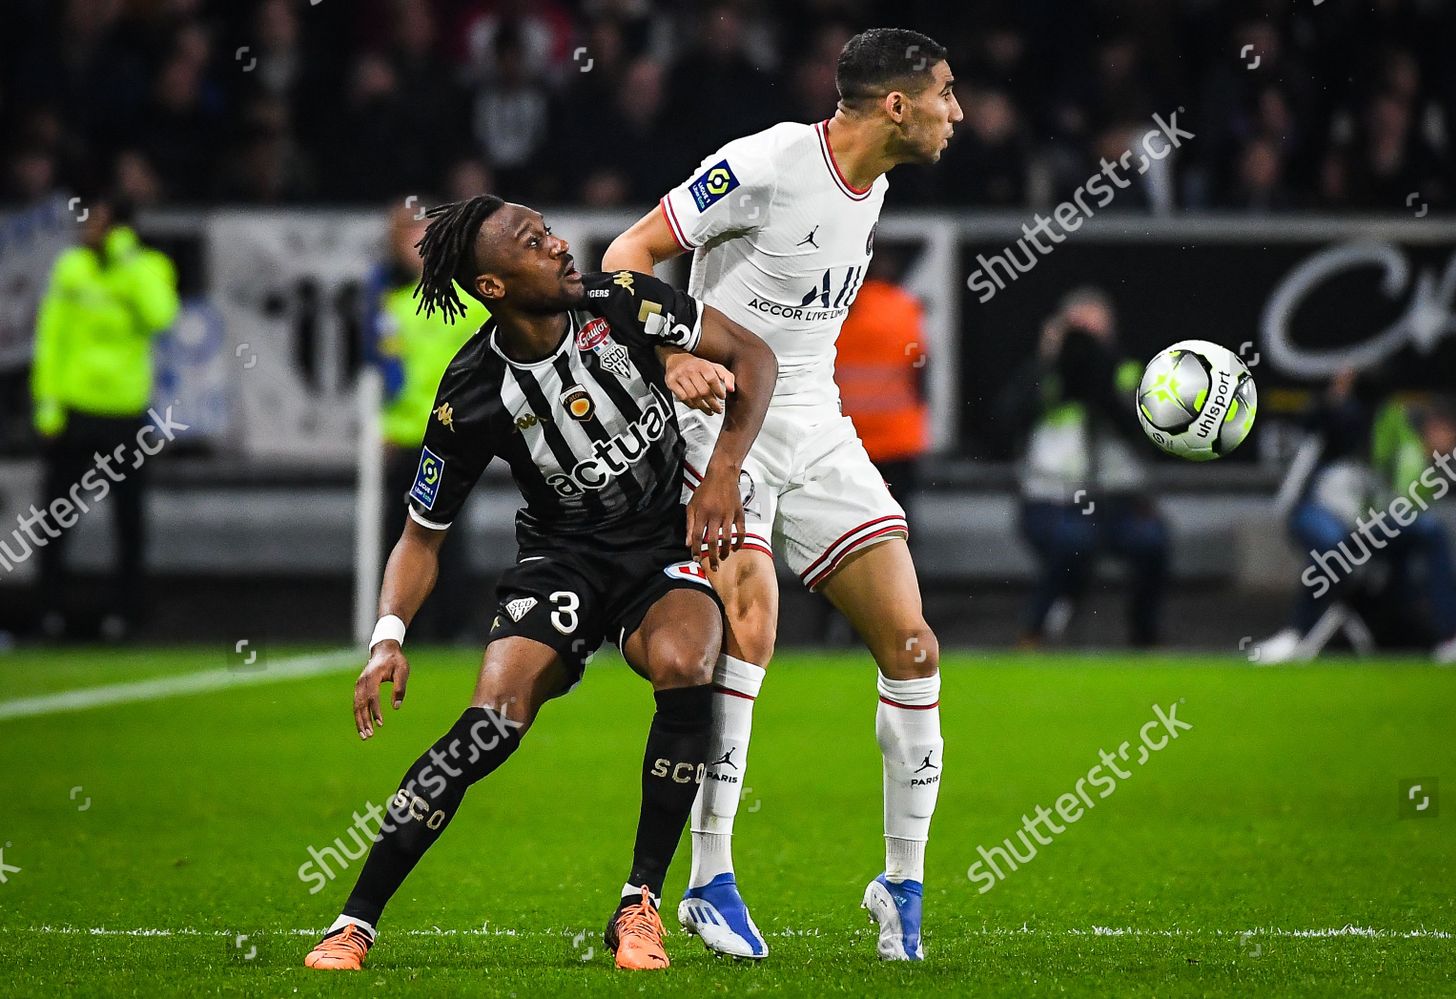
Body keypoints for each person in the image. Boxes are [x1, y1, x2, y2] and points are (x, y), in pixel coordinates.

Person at [302, 195, 776, 973]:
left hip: (659, 543)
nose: (559, 245)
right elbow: (422, 535)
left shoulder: (621, 301)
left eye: (550, 229)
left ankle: (640, 905)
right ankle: (355, 919)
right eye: (534, 241)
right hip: (563, 558)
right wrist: (387, 637)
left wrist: (721, 472)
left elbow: (754, 357)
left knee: (688, 663)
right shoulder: (471, 392)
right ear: (493, 286)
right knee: (491, 720)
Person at [604, 28, 961, 961]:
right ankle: (709, 877)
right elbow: (625, 251)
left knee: (914, 643)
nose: (956, 113)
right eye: (945, 95)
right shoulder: (761, 163)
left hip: (815, 419)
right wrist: (673, 351)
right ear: (896, 105)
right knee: (750, 623)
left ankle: (903, 882)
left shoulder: (873, 184)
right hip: (722, 422)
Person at [1257, 371, 1456, 665]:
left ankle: (1451, 637)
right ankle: (1296, 633)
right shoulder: (1335, 417)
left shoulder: (1399, 428)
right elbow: (1315, 422)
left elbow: (1408, 498)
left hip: (1368, 521)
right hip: (1320, 512)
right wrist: (1336, 397)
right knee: (1332, 543)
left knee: (1430, 531)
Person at [30, 196, 180, 640]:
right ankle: (48, 611)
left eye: (95, 218)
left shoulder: (147, 267)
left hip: (124, 415)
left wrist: (126, 258)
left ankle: (125, 614)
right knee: (56, 517)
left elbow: (162, 315)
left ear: (119, 227)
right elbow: (51, 337)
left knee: (128, 520)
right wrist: (47, 403)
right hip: (75, 411)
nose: (85, 226)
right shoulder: (71, 268)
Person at [996, 288, 1169, 648]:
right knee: (1074, 541)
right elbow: (1003, 424)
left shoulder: (1129, 372)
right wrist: (1047, 365)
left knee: (1153, 542)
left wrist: (1103, 387)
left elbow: (1147, 434)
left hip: (1116, 499)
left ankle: (1145, 639)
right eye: (1078, 332)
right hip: (1052, 498)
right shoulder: (1039, 373)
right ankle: (1035, 631)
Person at [370, 203, 480, 641]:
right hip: (405, 438)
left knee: (449, 538)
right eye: (407, 238)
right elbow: (383, 379)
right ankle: (402, 627)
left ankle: (453, 627)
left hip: (451, 440)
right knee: (400, 536)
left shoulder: (471, 305)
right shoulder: (389, 308)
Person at [833, 247, 930, 510]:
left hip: (849, 432)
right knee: (899, 516)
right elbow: (920, 366)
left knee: (853, 516)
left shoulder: (839, 308)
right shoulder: (905, 306)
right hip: (899, 432)